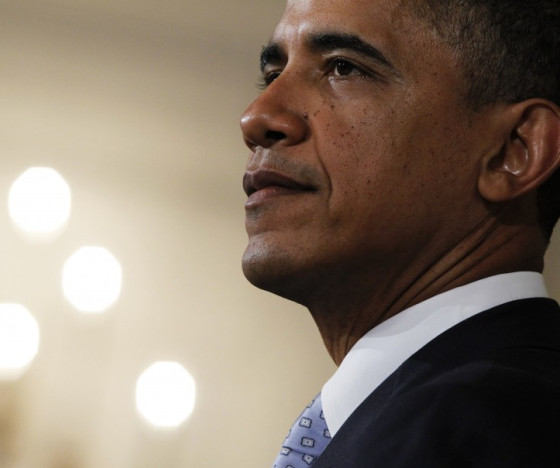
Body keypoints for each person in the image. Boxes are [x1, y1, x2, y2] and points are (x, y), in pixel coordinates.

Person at [239, 0, 560, 466]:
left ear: (514, 150)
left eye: (343, 68)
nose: (256, 117)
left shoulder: (485, 429)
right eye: (273, 74)